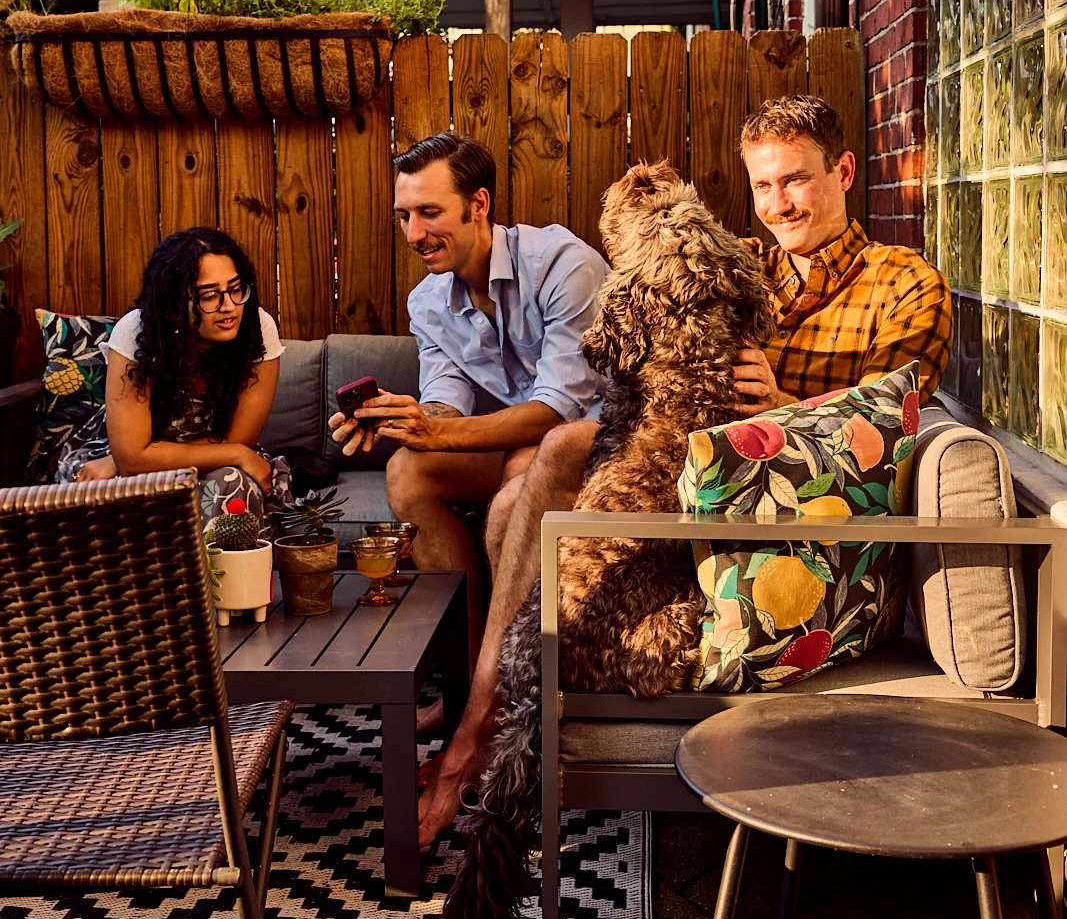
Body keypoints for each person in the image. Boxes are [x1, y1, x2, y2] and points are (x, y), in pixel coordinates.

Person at [415, 94, 954, 846]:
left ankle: (479, 733)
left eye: (795, 180)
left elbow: (890, 430)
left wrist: (779, 401)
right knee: (512, 502)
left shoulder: (904, 283)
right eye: (762, 185)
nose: (778, 203)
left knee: (558, 453)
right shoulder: (733, 261)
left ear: (842, 171)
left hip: (803, 519)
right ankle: (493, 718)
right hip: (688, 493)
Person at [328, 130, 608, 659]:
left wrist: (433, 429)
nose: (414, 233)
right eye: (404, 216)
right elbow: (443, 402)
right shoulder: (427, 301)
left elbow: (556, 410)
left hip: (597, 443)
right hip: (522, 444)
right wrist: (397, 416)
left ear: (478, 204)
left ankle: (510, 680)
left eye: (429, 212)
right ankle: (466, 670)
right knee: (407, 470)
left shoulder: (563, 265)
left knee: (520, 468)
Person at [55, 227, 291, 531]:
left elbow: (236, 440)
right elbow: (133, 460)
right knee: (103, 495)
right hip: (129, 457)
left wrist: (146, 456)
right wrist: (124, 459)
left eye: (235, 289)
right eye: (210, 296)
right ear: (175, 305)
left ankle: (216, 579)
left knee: (233, 483)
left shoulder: (257, 329)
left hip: (215, 461)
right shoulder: (136, 333)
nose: (230, 306)